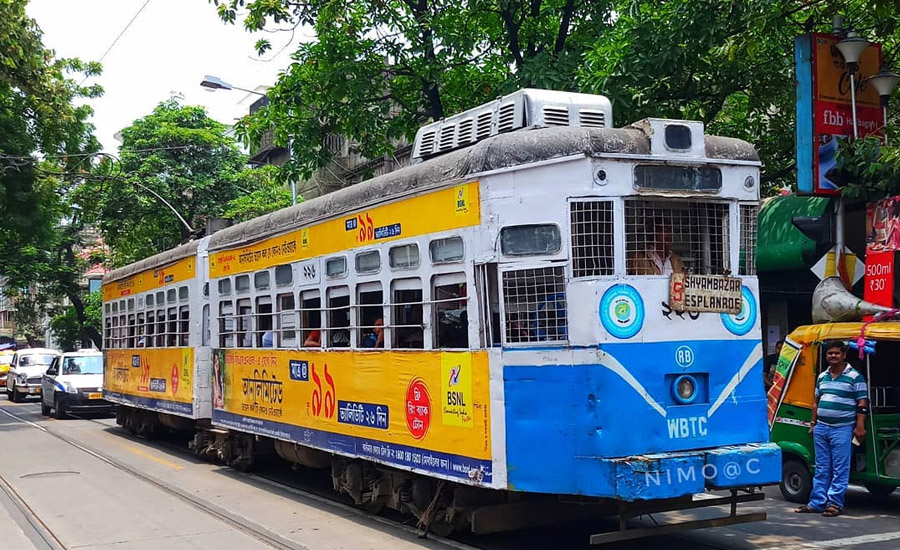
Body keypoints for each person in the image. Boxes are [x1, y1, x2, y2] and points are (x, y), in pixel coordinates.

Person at [795, 341, 868, 517]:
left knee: (840, 469)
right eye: (830, 353)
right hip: (822, 428)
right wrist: (813, 425)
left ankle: (834, 504)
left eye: (836, 353)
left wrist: (860, 426)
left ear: (844, 355)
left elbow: (862, 403)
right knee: (821, 468)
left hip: (842, 429)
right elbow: (816, 402)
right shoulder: (822, 377)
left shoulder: (855, 377)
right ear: (826, 356)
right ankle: (817, 502)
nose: (833, 356)